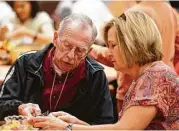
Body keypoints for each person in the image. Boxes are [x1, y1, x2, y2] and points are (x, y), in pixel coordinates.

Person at [31, 10, 179, 130]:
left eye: (113, 46)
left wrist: (67, 127)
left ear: (132, 44)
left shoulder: (155, 77)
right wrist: (77, 124)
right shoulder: (149, 74)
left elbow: (124, 129)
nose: (108, 53)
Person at [0, 14, 114, 124]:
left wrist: (73, 126)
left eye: (80, 50)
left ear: (88, 52)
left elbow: (105, 123)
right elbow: (2, 103)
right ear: (55, 38)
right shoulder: (26, 62)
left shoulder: (95, 75)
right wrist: (20, 107)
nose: (70, 55)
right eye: (67, 45)